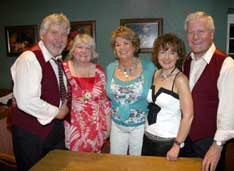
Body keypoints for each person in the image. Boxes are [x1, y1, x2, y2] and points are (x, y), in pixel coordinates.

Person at [182, 11, 234, 171]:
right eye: (191, 32)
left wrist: (218, 146)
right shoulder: (186, 60)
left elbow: (231, 110)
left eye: (200, 31)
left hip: (209, 142)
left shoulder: (226, 64)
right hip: (185, 139)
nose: (195, 37)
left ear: (212, 34)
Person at [10, 13, 70, 171]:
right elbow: (26, 100)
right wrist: (57, 112)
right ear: (42, 34)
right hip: (31, 135)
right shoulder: (29, 58)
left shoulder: (56, 60)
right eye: (54, 32)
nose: (60, 38)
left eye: (64, 34)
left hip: (54, 131)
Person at [142, 33, 193, 161]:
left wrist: (177, 145)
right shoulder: (155, 74)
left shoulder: (180, 79)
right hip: (147, 137)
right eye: (163, 52)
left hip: (168, 143)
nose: (166, 57)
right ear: (156, 55)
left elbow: (188, 116)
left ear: (178, 56)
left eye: (172, 53)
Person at [106, 26, 156, 155]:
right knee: (116, 164)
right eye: (117, 44)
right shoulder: (110, 68)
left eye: (126, 43)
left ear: (134, 45)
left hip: (140, 127)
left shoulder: (150, 69)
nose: (121, 47)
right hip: (116, 126)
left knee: (138, 165)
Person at [63, 33, 111, 152]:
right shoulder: (63, 69)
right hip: (72, 128)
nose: (84, 51)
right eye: (80, 47)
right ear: (73, 50)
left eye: (88, 48)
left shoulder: (99, 71)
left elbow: (105, 102)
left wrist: (108, 126)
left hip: (96, 128)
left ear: (92, 52)